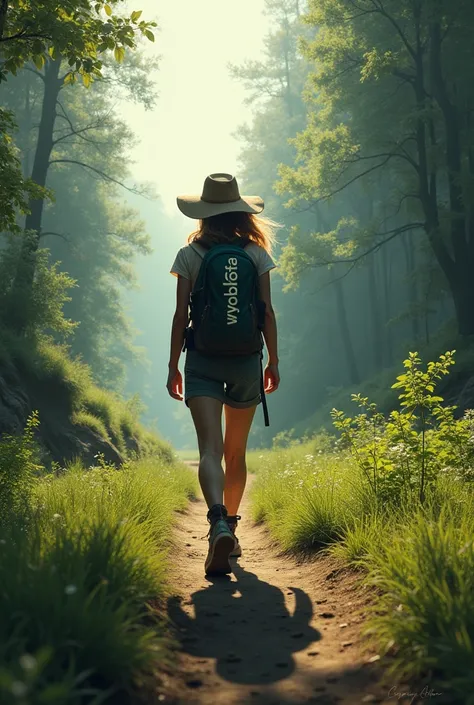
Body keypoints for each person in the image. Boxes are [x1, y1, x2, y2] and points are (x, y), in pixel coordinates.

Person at [167, 173, 280, 576]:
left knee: (210, 451)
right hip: (247, 359)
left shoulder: (190, 255)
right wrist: (274, 362)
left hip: (202, 360)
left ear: (204, 213)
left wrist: (172, 367)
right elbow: (266, 312)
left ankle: (216, 522)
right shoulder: (254, 253)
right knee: (236, 453)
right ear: (239, 212)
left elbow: (182, 315)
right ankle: (230, 527)